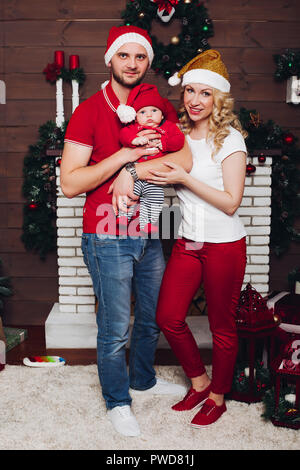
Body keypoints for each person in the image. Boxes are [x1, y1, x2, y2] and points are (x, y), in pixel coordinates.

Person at [60, 25, 191, 438]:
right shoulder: (88, 112)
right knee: (116, 328)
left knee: (150, 319)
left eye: (140, 57)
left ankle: (144, 380)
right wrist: (124, 156)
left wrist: (133, 170)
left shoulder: (153, 104)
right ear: (110, 59)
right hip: (106, 234)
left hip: (150, 229)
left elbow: (181, 158)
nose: (132, 64)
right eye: (124, 56)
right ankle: (118, 400)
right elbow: (70, 184)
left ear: (147, 63)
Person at [147, 49, 248, 426]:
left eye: (205, 93)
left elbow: (232, 202)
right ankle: (200, 381)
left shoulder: (231, 140)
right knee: (168, 317)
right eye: (190, 91)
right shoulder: (178, 137)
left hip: (224, 245)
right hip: (188, 242)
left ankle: (218, 397)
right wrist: (129, 172)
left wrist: (185, 178)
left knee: (222, 326)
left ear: (217, 99)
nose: (195, 100)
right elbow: (153, 168)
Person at [117, 83, 185, 233]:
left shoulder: (167, 127)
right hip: (134, 177)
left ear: (161, 115)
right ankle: (123, 216)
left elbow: (179, 140)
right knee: (128, 196)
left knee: (155, 198)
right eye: (142, 112)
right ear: (135, 116)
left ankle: (146, 223)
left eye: (154, 110)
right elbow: (123, 135)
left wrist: (165, 143)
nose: (149, 115)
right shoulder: (135, 128)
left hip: (152, 176)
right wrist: (133, 140)